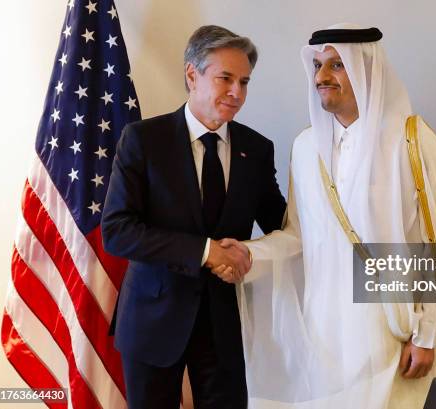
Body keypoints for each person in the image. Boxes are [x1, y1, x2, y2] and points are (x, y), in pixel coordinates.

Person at [218, 24, 436, 408]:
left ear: (366, 69)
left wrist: (426, 333)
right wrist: (249, 254)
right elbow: (299, 236)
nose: (321, 77)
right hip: (325, 331)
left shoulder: (410, 142)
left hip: (392, 329)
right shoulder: (306, 147)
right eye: (317, 66)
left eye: (336, 65)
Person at [101, 25, 286, 409]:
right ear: (192, 75)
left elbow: (280, 227)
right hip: (153, 320)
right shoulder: (143, 140)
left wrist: (250, 255)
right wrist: (206, 252)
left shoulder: (257, 148)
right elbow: (118, 232)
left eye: (245, 82)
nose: (237, 93)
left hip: (223, 327)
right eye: (226, 78)